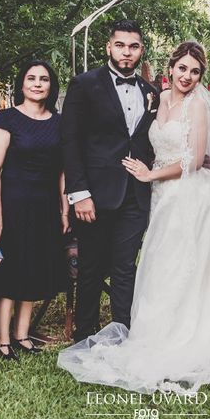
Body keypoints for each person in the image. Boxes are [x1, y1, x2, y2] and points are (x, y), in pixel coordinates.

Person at [58, 42, 210, 394]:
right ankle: (151, 331)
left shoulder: (199, 106)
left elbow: (196, 160)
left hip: (189, 196)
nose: (187, 76)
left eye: (195, 71)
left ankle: (188, 334)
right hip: (159, 197)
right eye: (182, 69)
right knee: (158, 264)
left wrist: (149, 175)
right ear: (170, 69)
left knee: (183, 265)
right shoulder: (158, 98)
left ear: (201, 76)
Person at [61, 20, 158, 343]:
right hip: (95, 194)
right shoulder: (84, 84)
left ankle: (124, 333)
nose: (126, 52)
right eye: (120, 45)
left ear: (141, 50)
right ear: (108, 47)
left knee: (125, 266)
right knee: (90, 266)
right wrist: (79, 193)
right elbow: (70, 141)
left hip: (135, 194)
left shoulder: (150, 92)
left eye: (133, 46)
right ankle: (84, 334)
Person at [0, 60, 68, 360]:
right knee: (11, 268)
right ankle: (2, 338)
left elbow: (62, 170)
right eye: (31, 78)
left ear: (51, 85)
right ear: (21, 84)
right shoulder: (7, 118)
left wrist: (62, 210)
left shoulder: (58, 123)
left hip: (45, 203)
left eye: (44, 79)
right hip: (13, 200)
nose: (37, 83)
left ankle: (22, 335)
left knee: (34, 266)